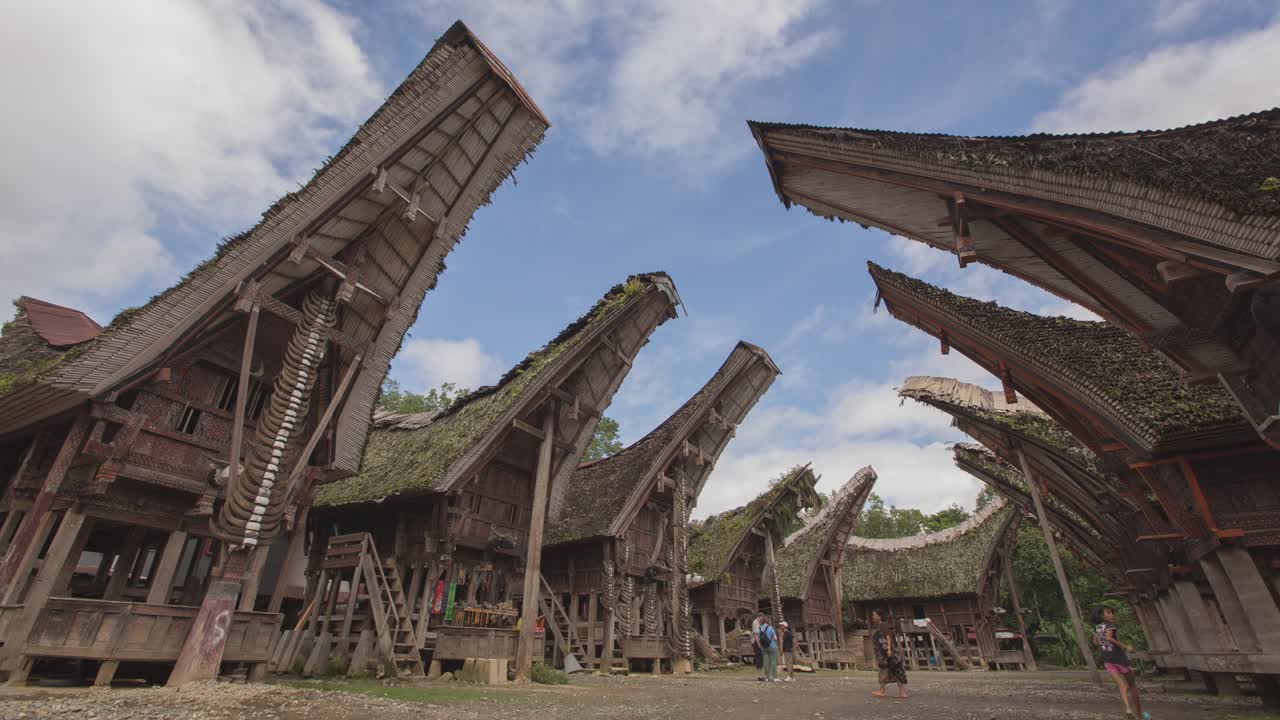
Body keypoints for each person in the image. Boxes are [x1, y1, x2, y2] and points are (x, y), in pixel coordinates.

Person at [1093, 605, 1148, 720]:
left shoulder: (1098, 627)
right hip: (1118, 658)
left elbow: (1096, 642)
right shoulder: (1109, 625)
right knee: (1132, 686)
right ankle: (1140, 716)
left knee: (1121, 685)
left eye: (1111, 612)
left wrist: (1101, 639)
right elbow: (1109, 638)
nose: (1111, 615)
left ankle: (1128, 708)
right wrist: (1126, 647)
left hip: (1107, 659)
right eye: (1108, 613)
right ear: (1101, 615)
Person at [870, 610, 907, 699]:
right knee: (893, 671)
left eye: (874, 615)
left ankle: (882, 691)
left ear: (879, 616)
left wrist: (889, 649)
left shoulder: (883, 624)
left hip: (887, 653)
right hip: (885, 653)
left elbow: (888, 636)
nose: (873, 616)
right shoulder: (880, 625)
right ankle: (902, 692)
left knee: (884, 670)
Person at [759, 615, 779, 682]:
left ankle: (767, 678)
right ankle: (775, 677)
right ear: (768, 621)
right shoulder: (771, 628)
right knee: (773, 662)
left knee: (766, 662)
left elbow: (759, 639)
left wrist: (761, 646)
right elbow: (775, 638)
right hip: (772, 646)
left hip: (764, 647)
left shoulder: (760, 628)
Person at [751, 612, 765, 681]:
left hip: (756, 641)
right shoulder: (756, 622)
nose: (762, 619)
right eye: (762, 617)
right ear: (759, 616)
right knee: (759, 658)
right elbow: (755, 634)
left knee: (759, 658)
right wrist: (759, 643)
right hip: (756, 642)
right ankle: (760, 675)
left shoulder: (757, 623)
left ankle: (760, 675)